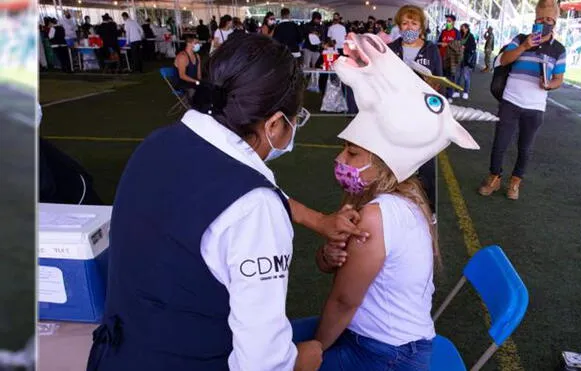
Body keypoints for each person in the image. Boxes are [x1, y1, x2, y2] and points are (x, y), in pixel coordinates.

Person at [87, 33, 366, 371]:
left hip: (118, 355)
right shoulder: (253, 205)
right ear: (276, 124)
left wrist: (319, 221)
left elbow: (219, 196)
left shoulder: (159, 143)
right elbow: (263, 363)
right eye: (297, 118)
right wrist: (300, 359)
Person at [288, 32, 480, 369]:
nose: (341, 160)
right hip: (382, 340)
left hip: (386, 354)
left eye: (351, 152)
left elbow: (345, 300)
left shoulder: (378, 215)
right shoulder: (396, 199)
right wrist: (328, 255)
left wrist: (315, 348)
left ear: (382, 163)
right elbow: (328, 265)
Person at [478, 0, 566, 200]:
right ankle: (494, 177)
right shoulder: (520, 39)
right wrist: (525, 46)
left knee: (525, 147)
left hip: (535, 106)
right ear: (534, 20)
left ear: (555, 22)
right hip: (510, 100)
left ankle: (515, 182)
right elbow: (503, 60)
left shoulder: (559, 50)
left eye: (549, 19)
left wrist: (548, 85)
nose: (545, 22)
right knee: (500, 143)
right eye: (541, 19)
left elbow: (559, 79)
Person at [387, 5, 442, 212]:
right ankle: (393, 204)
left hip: (422, 113)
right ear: (399, 26)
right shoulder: (391, 49)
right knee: (395, 159)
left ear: (421, 27)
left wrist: (430, 85)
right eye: (405, 23)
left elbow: (438, 80)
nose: (409, 27)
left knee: (425, 161)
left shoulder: (431, 49)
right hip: (396, 112)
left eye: (414, 23)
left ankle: (429, 208)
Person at [437, 14, 461, 101]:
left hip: (451, 59)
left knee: (450, 77)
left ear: (453, 22)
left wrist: (447, 44)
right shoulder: (443, 32)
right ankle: (442, 95)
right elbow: (438, 42)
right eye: (447, 21)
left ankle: (449, 95)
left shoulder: (456, 33)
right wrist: (440, 44)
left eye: (449, 21)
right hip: (442, 57)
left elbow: (458, 45)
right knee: (441, 76)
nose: (447, 23)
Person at [173, 36, 201, 102]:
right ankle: (192, 107)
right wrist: (196, 82)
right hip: (182, 83)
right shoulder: (182, 57)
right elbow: (182, 76)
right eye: (196, 43)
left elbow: (199, 73)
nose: (198, 45)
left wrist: (201, 82)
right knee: (193, 91)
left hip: (194, 82)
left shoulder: (197, 56)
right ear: (189, 43)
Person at [452, 23, 476, 100]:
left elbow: (473, 47)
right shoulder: (460, 35)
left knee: (466, 77)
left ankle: (466, 92)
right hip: (459, 58)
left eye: (463, 28)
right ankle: (456, 92)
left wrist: (465, 47)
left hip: (466, 59)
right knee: (458, 76)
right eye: (461, 27)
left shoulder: (471, 36)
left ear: (467, 28)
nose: (462, 29)